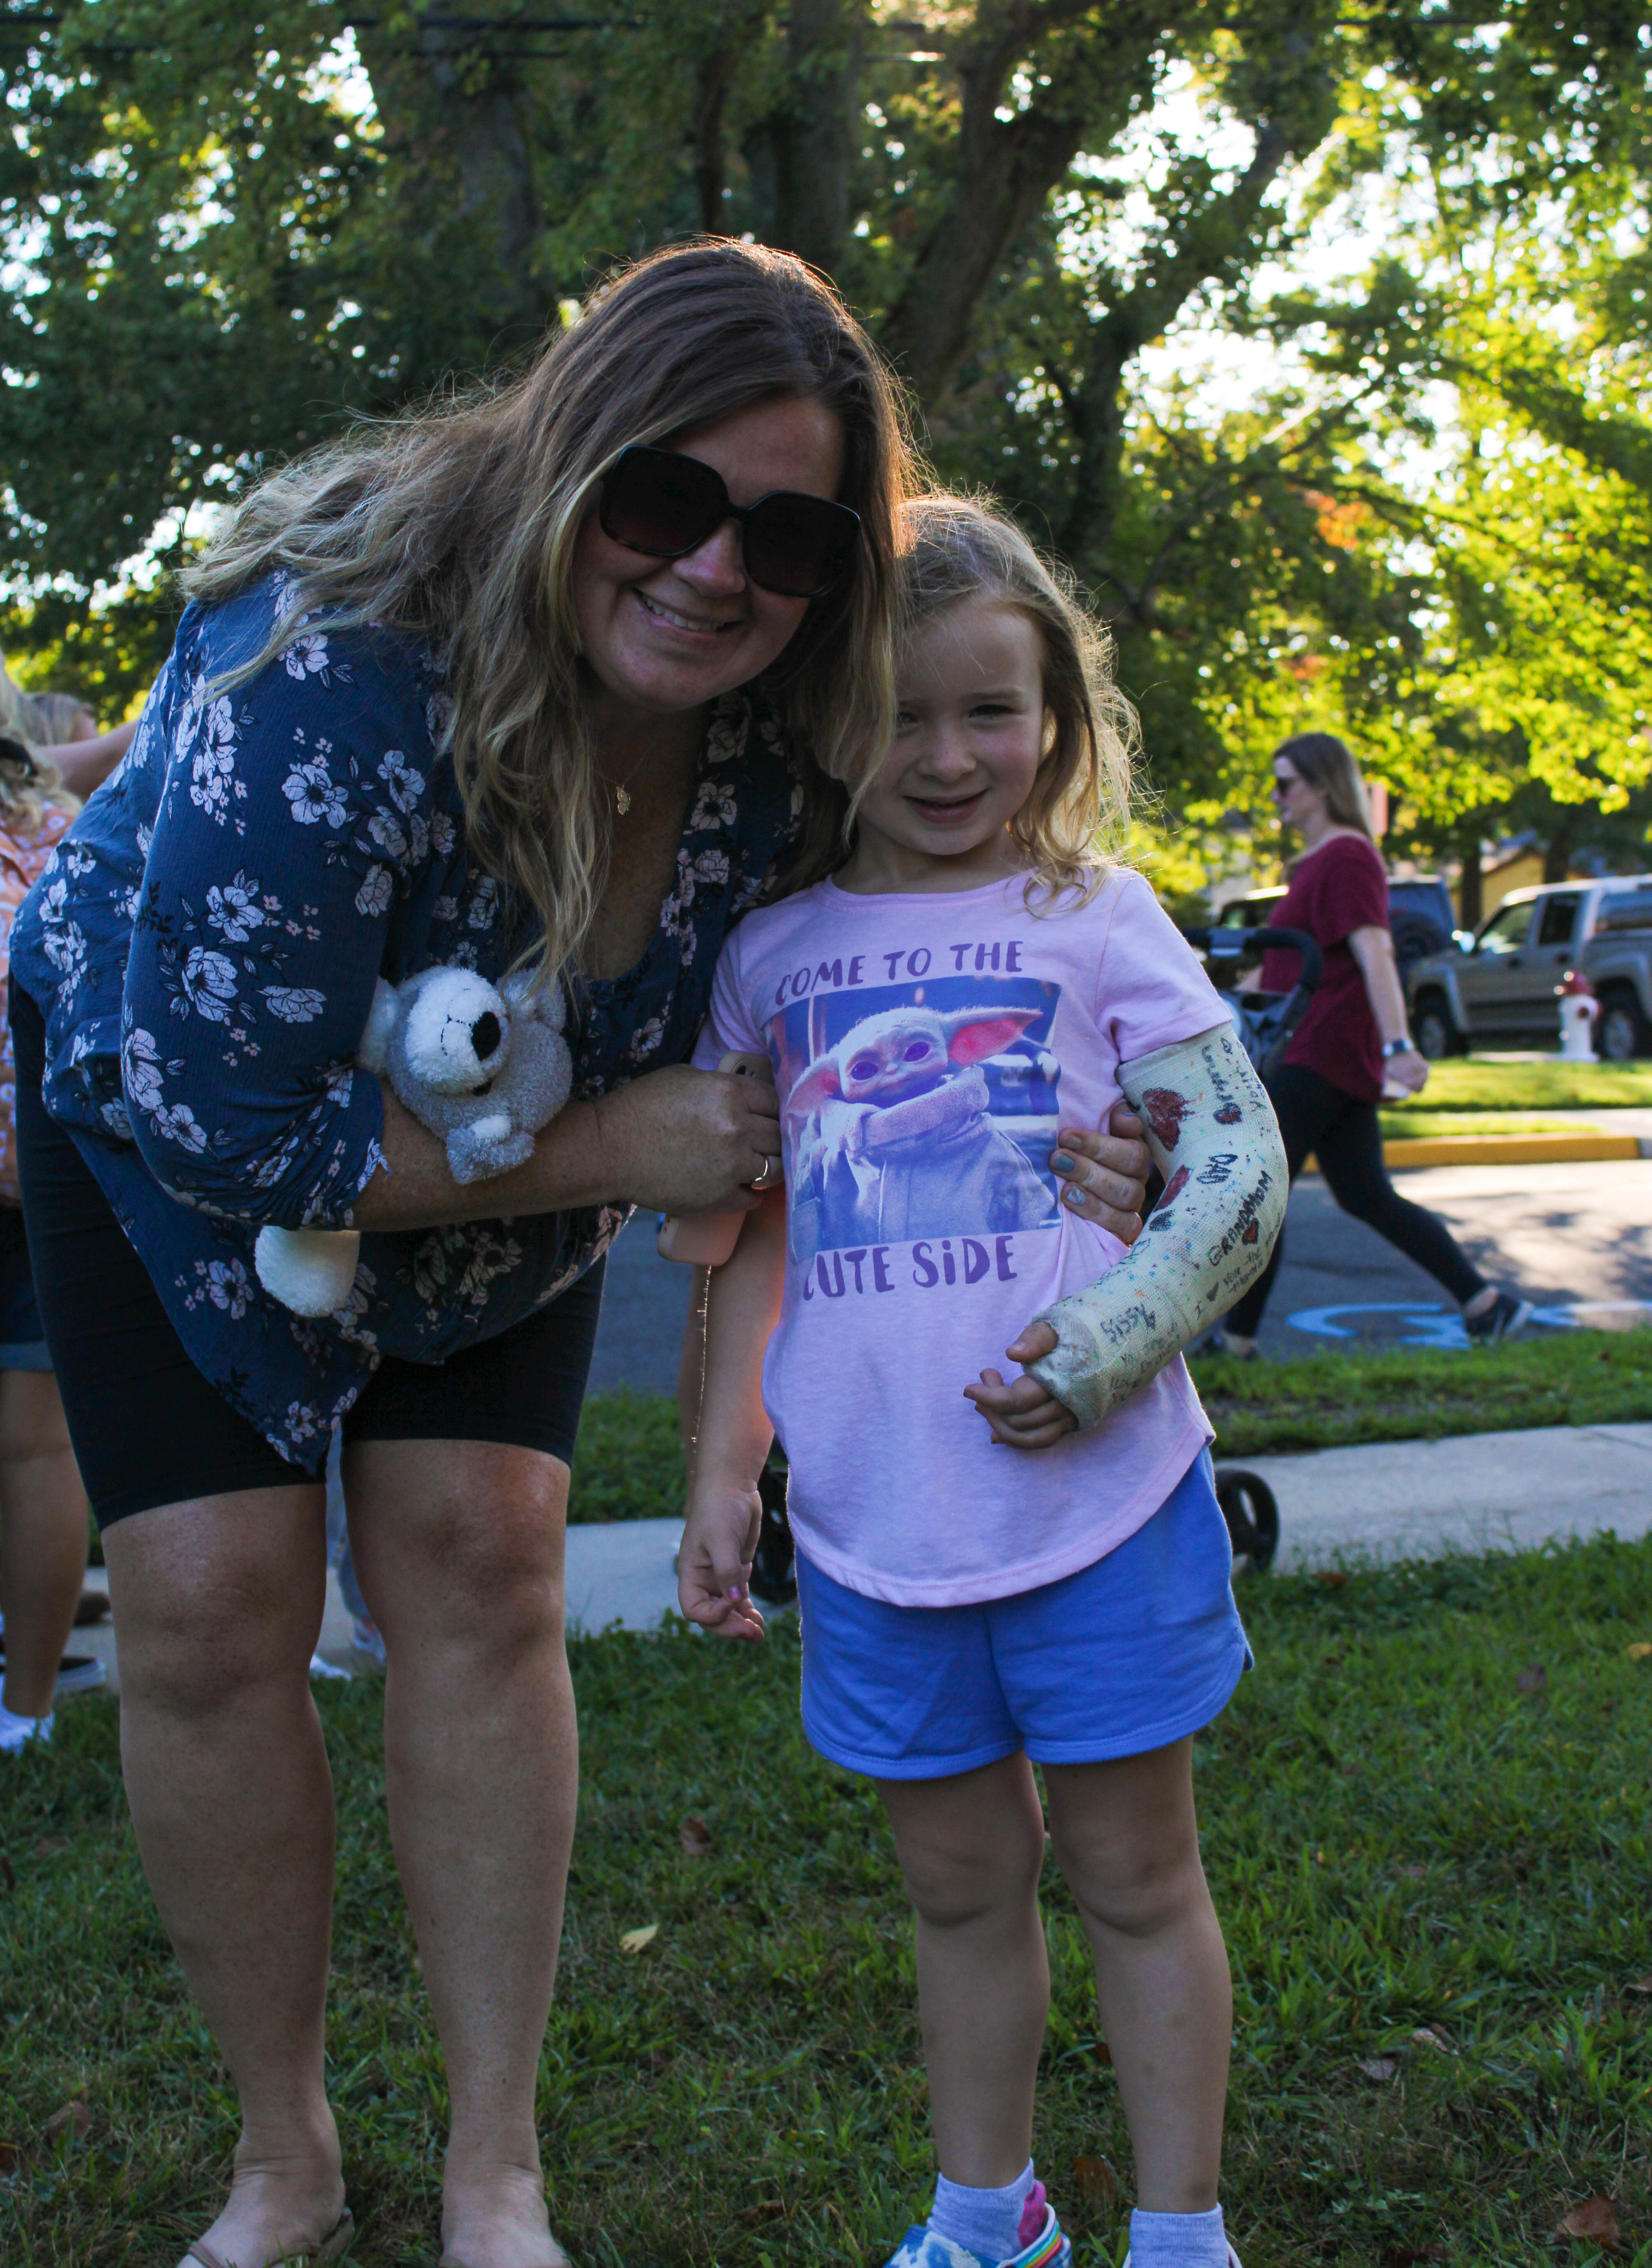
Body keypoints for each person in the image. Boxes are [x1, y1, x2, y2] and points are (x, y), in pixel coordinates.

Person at [9, 246, 1155, 2268]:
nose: (716, 569)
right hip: (176, 1128)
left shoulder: (795, 721)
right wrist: (612, 1140)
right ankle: (284, 2154)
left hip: (488, 1174)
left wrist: (1117, 1134)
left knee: (478, 1560)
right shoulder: (331, 662)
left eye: (788, 534)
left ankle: (492, 2169)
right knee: (200, 1604)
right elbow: (231, 1122)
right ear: (568, 455)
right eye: (662, 496)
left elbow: (920, 978)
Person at [679, 496, 1275, 2268]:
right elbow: (744, 1236)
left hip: (1104, 1509)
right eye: (894, 713)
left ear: (1056, 719)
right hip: (877, 1527)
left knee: (1136, 1880)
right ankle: (987, 2215)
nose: (946, 757)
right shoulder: (768, 957)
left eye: (989, 711)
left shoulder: (1099, 918)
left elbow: (1230, 1177)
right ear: (810, 722)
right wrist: (724, 1468)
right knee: (954, 1892)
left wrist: (1104, 1353)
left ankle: (1180, 2233)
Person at [1208, 732, 1526, 1356]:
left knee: (1261, 1194)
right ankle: (1487, 1305)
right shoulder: (1319, 862)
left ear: (1321, 787)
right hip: (1325, 1056)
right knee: (1366, 1196)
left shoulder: (1347, 856)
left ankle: (1239, 1343)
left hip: (1318, 1054)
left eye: (1285, 784)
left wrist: (1400, 1043)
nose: (1277, 798)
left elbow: (1375, 950)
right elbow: (1278, 972)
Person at [0, 720, 103, 1749]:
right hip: (49, 1169)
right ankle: (22, 1706)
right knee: (38, 1452)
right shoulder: (60, 837)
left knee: (34, 1456)